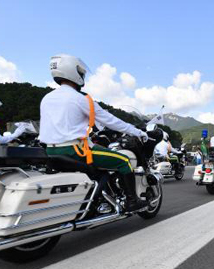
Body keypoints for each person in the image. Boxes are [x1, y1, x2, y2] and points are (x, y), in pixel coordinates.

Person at [39, 54, 149, 212]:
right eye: (82, 73)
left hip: (50, 151)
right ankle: (132, 201)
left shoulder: (46, 99)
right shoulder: (80, 99)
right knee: (123, 161)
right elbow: (112, 121)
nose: (83, 76)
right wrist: (138, 132)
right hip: (75, 151)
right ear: (74, 72)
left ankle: (100, 196)